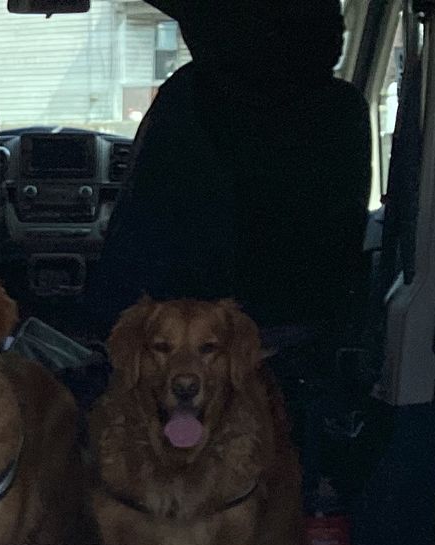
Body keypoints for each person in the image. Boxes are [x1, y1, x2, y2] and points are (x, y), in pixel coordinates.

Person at [93, 0, 372, 344]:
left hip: (192, 337)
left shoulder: (192, 99)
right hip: (309, 332)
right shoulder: (344, 110)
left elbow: (143, 239)